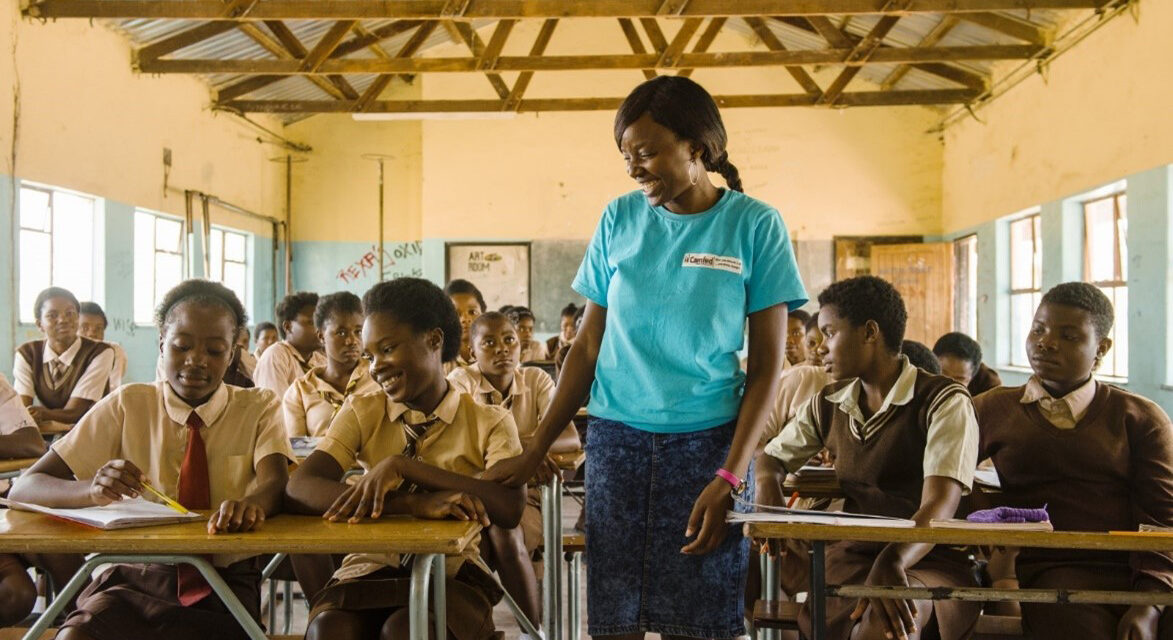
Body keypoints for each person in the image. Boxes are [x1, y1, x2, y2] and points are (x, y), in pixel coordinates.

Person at [484, 76, 806, 640]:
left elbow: (765, 370)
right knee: (616, 617)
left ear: (696, 148)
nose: (634, 167)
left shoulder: (755, 225)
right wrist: (535, 447)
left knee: (702, 618)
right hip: (618, 442)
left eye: (647, 152)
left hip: (711, 448)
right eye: (626, 155)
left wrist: (730, 477)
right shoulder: (619, 219)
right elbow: (585, 347)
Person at [9, 279, 293, 640]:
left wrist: (251, 505)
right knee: (75, 636)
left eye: (215, 350)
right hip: (131, 576)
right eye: (182, 346)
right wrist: (91, 490)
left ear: (234, 354)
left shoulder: (259, 406)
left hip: (223, 582)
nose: (196, 360)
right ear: (161, 343)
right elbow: (26, 486)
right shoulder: (128, 404)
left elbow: (274, 481)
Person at [286, 278, 524, 640]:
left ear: (433, 340)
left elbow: (509, 507)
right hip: (369, 566)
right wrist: (413, 503)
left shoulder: (488, 420)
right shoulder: (364, 410)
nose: (376, 366)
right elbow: (301, 485)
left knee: (405, 629)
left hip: (452, 574)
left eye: (388, 349)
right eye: (370, 356)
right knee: (330, 629)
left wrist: (405, 467)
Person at [761, 276, 980, 640]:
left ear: (870, 332)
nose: (821, 349)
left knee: (887, 626)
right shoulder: (828, 403)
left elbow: (940, 506)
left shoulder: (944, 401)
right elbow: (770, 458)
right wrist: (768, 485)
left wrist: (894, 559)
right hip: (855, 555)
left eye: (830, 333)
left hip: (927, 559)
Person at [973, 282, 1173, 640]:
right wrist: (989, 511)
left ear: (1102, 348)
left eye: (1068, 336)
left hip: (1144, 572)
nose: (1045, 342)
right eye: (1039, 329)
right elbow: (943, 476)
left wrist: (1150, 603)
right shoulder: (991, 409)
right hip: (1056, 572)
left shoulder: (1140, 417)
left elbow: (1163, 519)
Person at [449, 311, 582, 628]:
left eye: (509, 340)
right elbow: (462, 447)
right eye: (489, 342)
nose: (502, 349)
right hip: (474, 492)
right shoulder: (460, 382)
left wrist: (519, 451)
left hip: (530, 495)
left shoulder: (536, 380)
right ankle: (516, 629)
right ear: (472, 351)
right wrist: (531, 450)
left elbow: (569, 438)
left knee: (503, 530)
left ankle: (530, 630)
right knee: (482, 542)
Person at [283, 292, 380, 439]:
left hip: (376, 462)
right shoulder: (300, 391)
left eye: (358, 332)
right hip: (318, 462)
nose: (351, 341)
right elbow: (298, 452)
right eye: (341, 333)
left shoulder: (379, 379)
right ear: (321, 336)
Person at [14, 287, 114, 427]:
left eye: (70, 313)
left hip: (91, 433)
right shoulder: (27, 354)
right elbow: (22, 409)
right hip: (51, 434)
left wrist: (41, 414)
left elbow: (76, 412)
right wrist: (28, 414)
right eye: (52, 315)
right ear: (39, 324)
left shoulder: (100, 352)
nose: (63, 320)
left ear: (78, 318)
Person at [253, 292, 326, 397]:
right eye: (312, 323)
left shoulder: (321, 361)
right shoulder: (275, 357)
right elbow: (277, 408)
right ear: (288, 327)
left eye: (322, 323)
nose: (321, 329)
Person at [933, 332, 1003, 397]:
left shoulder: (989, 384)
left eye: (959, 379)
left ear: (972, 377)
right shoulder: (924, 373)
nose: (948, 385)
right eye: (943, 374)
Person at [78, 302, 129, 389]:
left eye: (98, 328)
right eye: (85, 328)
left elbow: (113, 388)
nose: (91, 334)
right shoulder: (66, 352)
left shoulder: (114, 351)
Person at [444, 279, 486, 370]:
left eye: (472, 312)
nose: (465, 319)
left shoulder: (495, 355)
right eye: (456, 314)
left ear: (483, 314)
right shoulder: (439, 361)